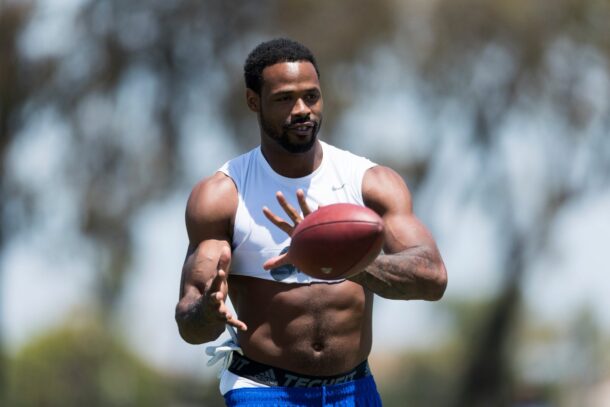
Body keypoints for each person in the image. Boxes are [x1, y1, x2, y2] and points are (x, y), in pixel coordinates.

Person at [175, 38, 447, 406]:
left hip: (354, 390)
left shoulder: (368, 182)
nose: (302, 109)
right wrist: (208, 312)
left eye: (312, 96)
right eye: (285, 98)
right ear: (254, 102)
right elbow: (190, 323)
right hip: (264, 391)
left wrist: (342, 261)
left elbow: (432, 278)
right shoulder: (223, 196)